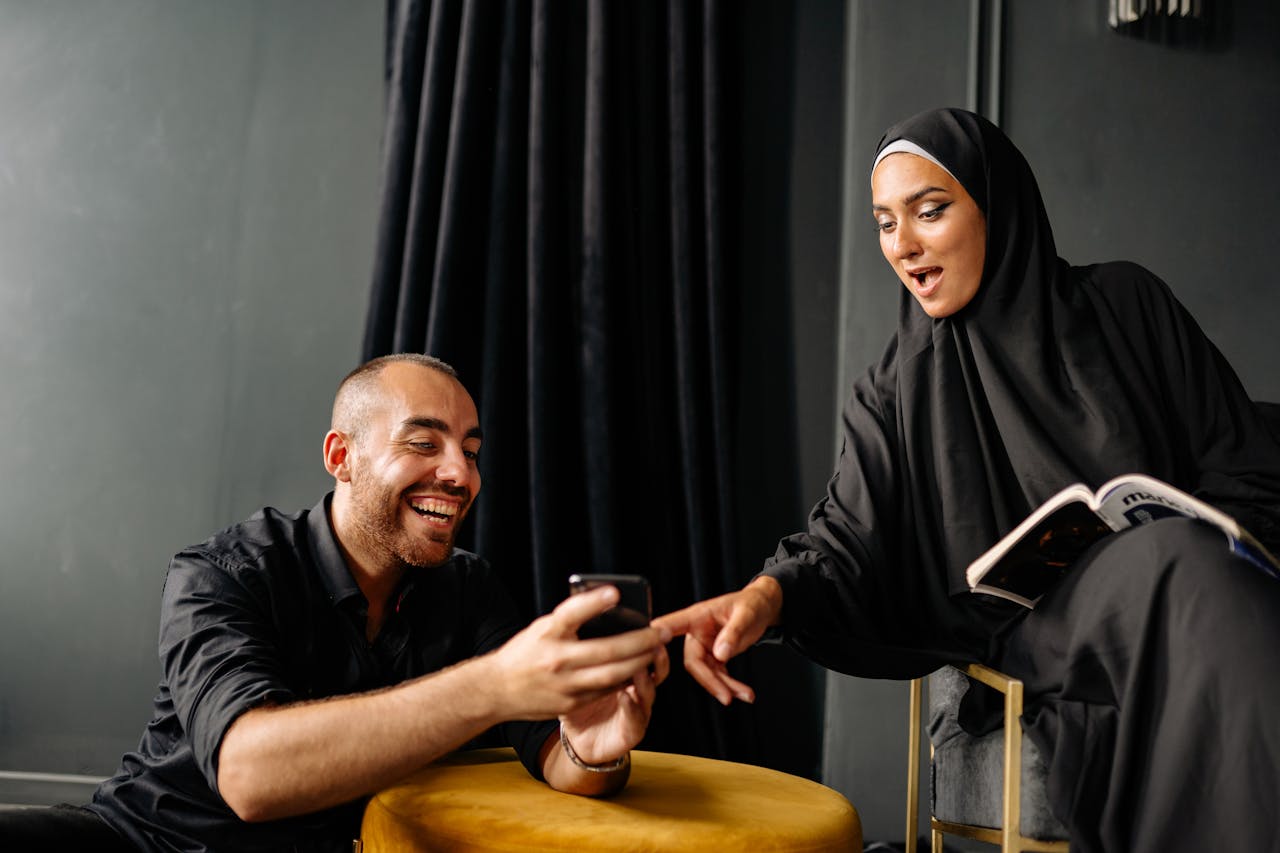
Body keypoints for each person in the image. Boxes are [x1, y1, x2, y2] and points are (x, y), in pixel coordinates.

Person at [655, 108, 1280, 852]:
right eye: (886, 222)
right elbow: (845, 540)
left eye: (930, 210)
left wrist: (1182, 523)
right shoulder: (893, 389)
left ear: (997, 205)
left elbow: (1247, 468)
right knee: (1184, 567)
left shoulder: (1128, 305)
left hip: (1190, 583)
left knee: (1192, 566)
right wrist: (765, 595)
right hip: (1046, 632)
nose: (904, 245)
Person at [1, 353, 670, 852]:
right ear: (340, 455)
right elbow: (250, 775)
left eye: (470, 451)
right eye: (422, 441)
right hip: (152, 842)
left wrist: (593, 749)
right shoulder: (220, 572)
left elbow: (554, 751)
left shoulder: (469, 588)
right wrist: (492, 686)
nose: (461, 473)